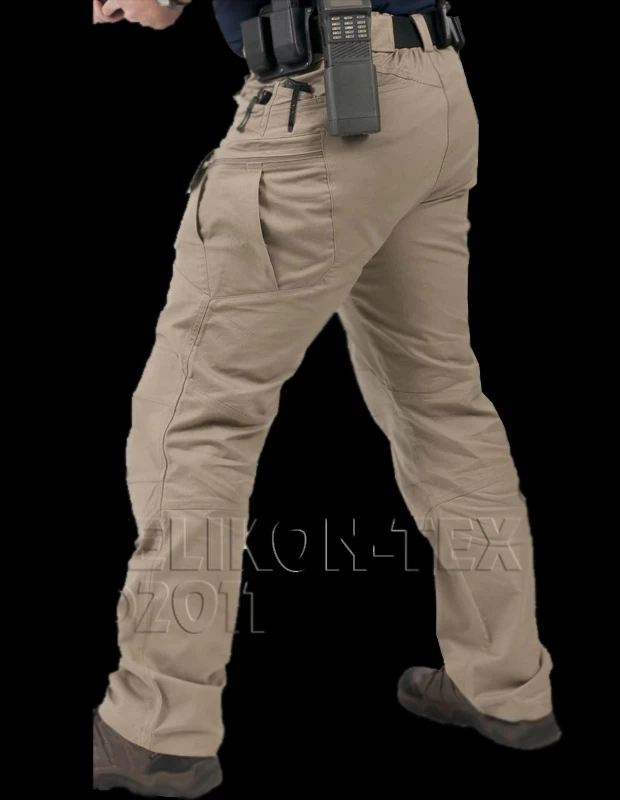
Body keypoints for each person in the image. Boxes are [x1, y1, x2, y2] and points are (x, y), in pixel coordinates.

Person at [93, 0, 561, 795]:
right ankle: (507, 684)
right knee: (442, 405)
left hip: (325, 105)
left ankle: (156, 728)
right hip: (433, 90)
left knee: (194, 421)